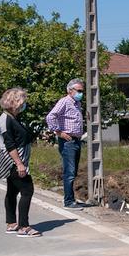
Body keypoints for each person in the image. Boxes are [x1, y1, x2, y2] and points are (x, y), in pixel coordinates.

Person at [0, 87, 40, 237]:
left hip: (15, 160)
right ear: (15, 102)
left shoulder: (11, 117)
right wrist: (19, 164)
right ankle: (23, 226)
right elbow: (10, 144)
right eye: (22, 101)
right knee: (27, 190)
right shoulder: (6, 120)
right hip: (13, 161)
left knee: (12, 192)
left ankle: (11, 223)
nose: (24, 104)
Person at [46, 78, 85, 210]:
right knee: (69, 172)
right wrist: (58, 132)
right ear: (70, 90)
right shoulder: (65, 101)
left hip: (76, 140)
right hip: (68, 141)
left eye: (82, 91)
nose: (81, 93)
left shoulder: (76, 104)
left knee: (73, 171)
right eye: (79, 91)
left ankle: (71, 198)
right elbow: (51, 116)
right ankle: (68, 201)